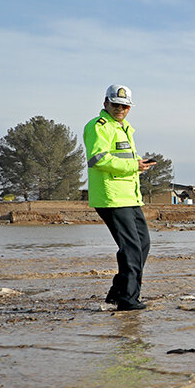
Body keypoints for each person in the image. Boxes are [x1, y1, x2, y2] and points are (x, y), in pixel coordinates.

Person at [83, 84, 156, 310]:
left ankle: (118, 292)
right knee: (131, 248)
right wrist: (133, 165)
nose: (120, 109)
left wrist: (139, 165)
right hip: (111, 197)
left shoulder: (124, 128)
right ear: (106, 104)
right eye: (116, 105)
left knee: (143, 244)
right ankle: (127, 299)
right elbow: (97, 159)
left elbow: (123, 159)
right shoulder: (98, 126)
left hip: (129, 197)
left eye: (125, 106)